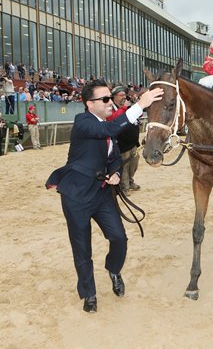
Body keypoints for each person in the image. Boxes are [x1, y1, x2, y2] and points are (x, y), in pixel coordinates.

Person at [45, 80, 164, 313]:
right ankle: (89, 294)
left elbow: (114, 157)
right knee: (82, 249)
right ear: (90, 104)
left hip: (101, 194)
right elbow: (107, 131)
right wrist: (140, 105)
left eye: (110, 97)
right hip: (76, 196)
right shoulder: (84, 122)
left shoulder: (107, 125)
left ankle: (113, 269)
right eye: (106, 99)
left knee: (119, 238)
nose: (111, 102)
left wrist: (116, 173)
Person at [107, 86, 141, 196]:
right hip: (121, 144)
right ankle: (124, 187)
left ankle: (130, 181)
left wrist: (137, 105)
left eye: (124, 95)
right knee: (124, 166)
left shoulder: (126, 107)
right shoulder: (111, 107)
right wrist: (124, 108)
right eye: (121, 95)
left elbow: (139, 114)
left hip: (133, 142)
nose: (124, 97)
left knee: (133, 164)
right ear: (114, 96)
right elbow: (112, 119)